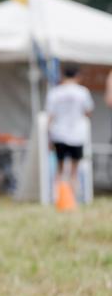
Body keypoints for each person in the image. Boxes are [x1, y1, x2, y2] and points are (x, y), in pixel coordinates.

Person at [46, 64, 94, 197]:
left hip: (58, 134)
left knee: (59, 169)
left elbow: (50, 116)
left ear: (62, 75)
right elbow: (88, 112)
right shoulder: (83, 92)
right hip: (77, 134)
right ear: (78, 76)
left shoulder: (55, 92)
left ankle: (57, 198)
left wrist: (48, 137)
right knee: (74, 170)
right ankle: (72, 198)